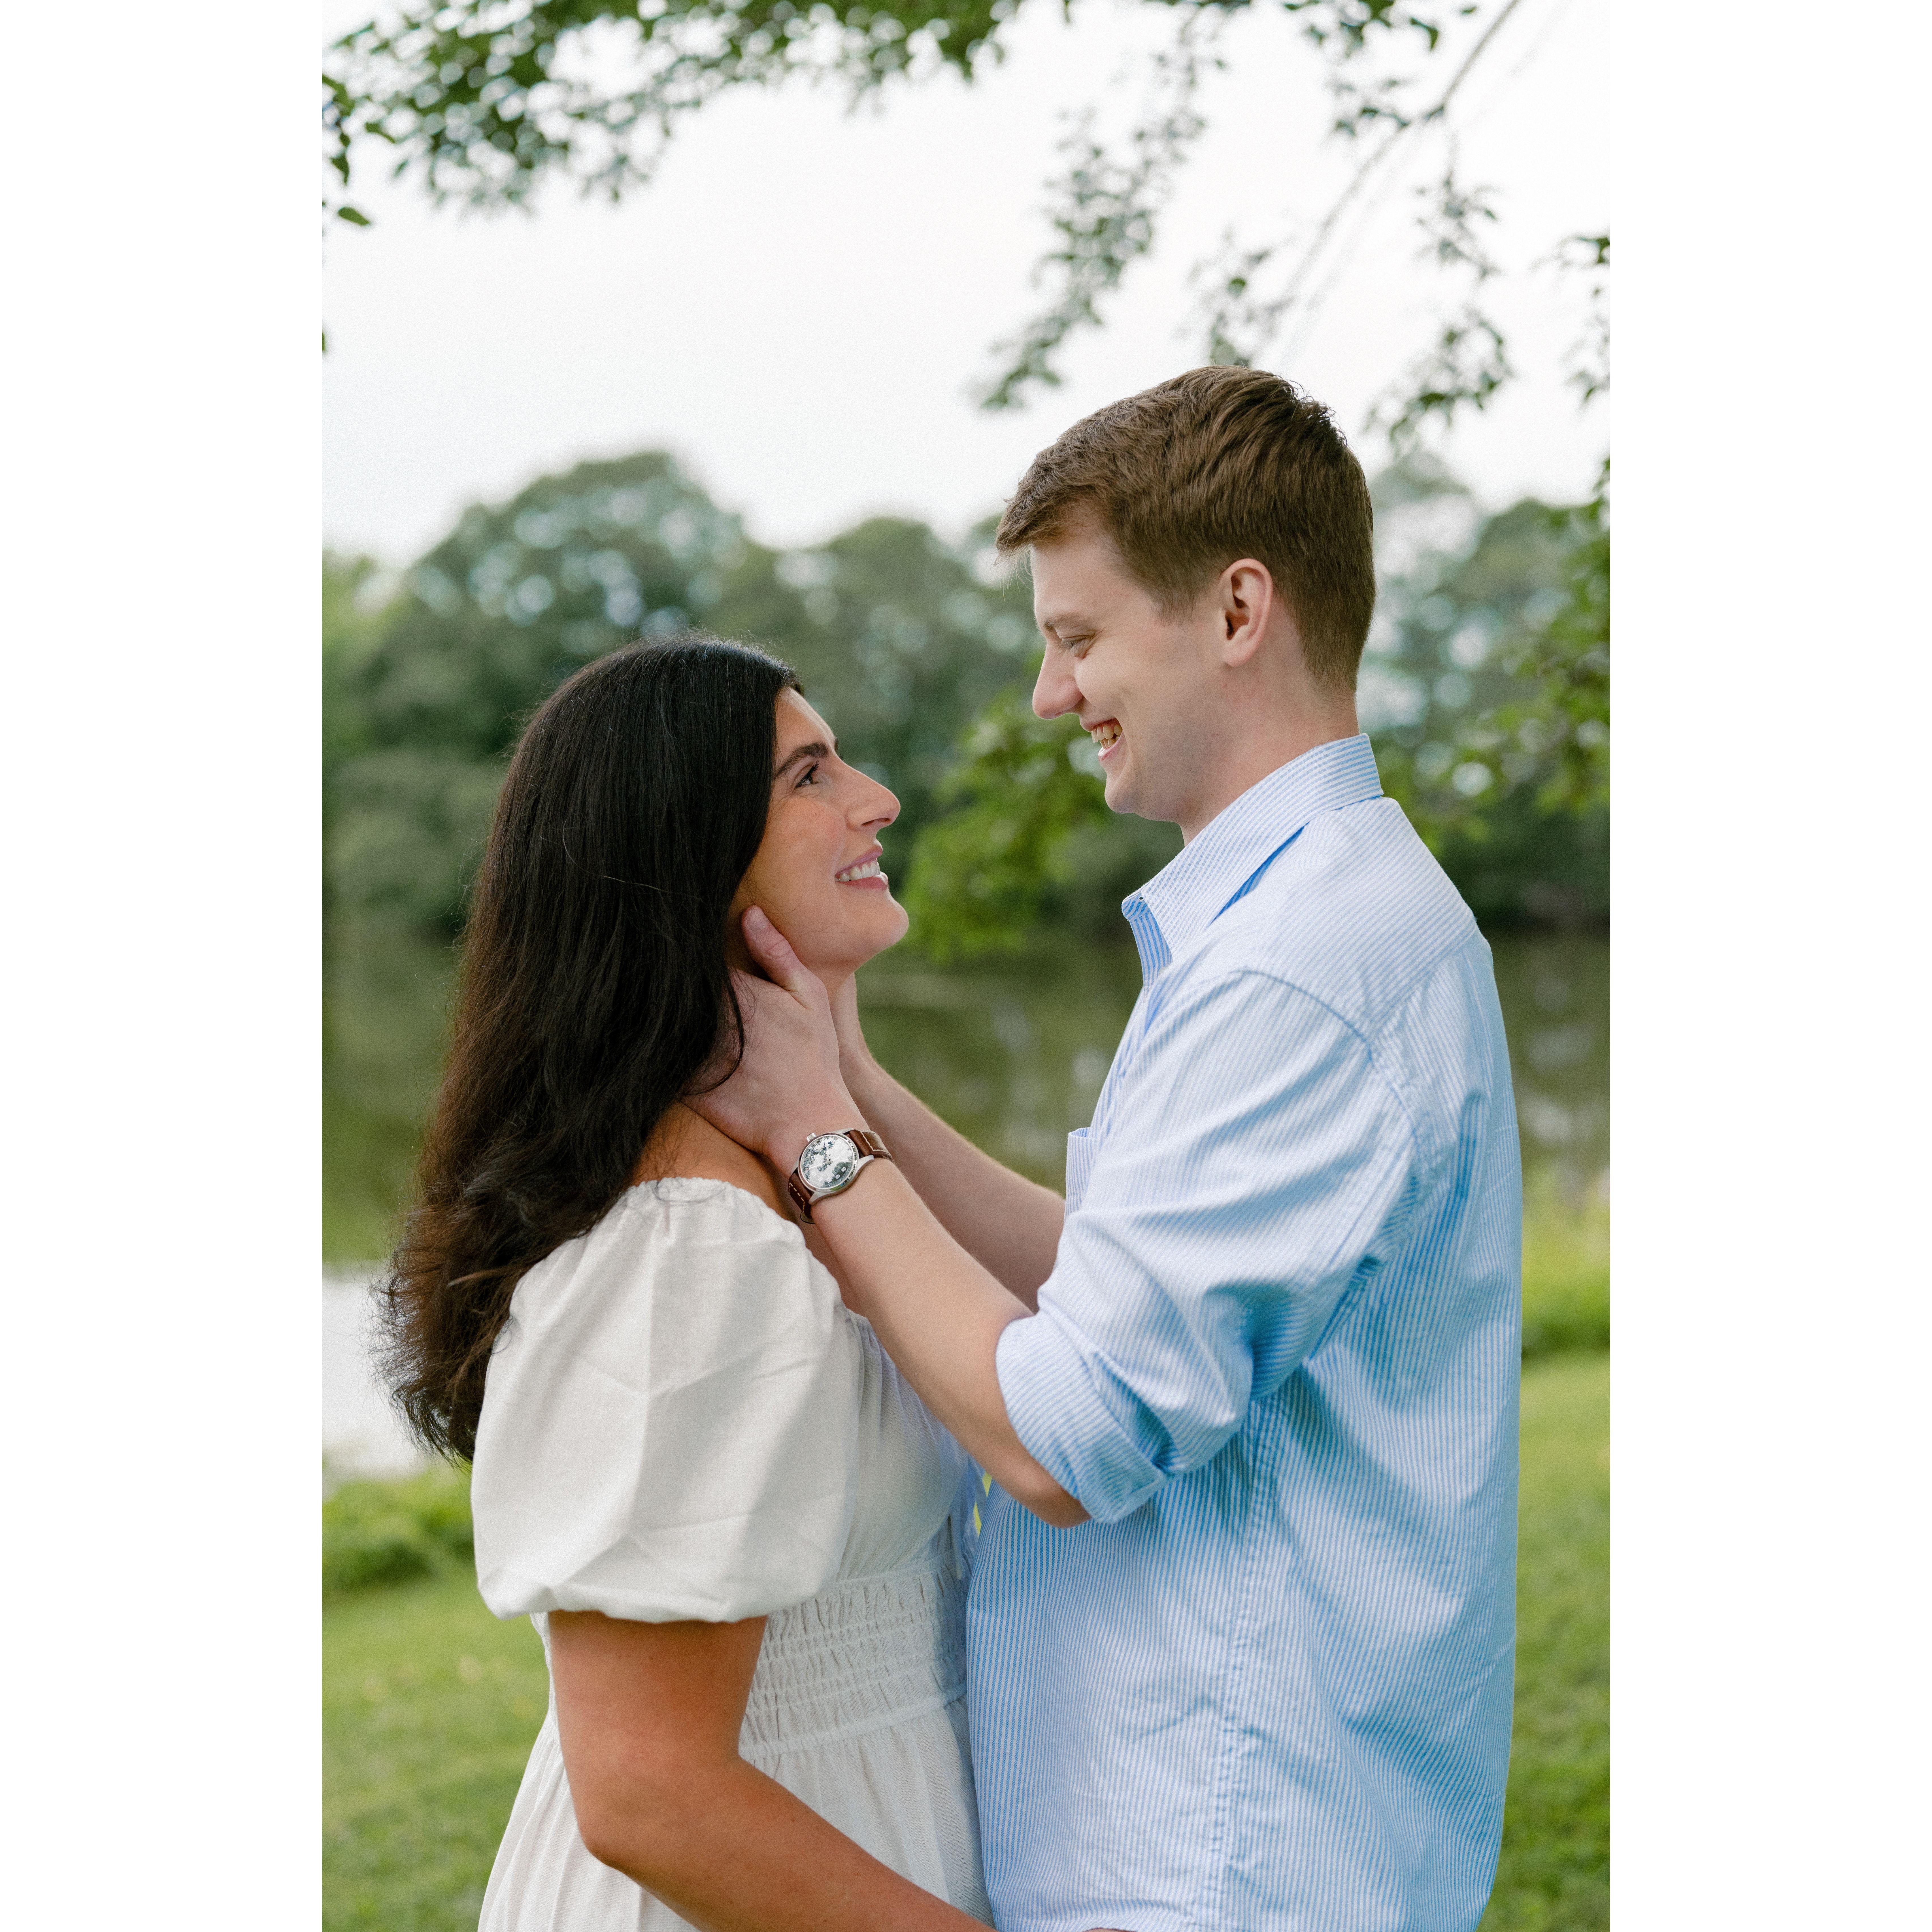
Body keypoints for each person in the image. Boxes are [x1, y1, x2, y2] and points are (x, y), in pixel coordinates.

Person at [695, 365, 1524, 1931]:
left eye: (1077, 637)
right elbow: (1110, 1285)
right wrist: (851, 1078)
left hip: (1219, 1860)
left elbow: (1072, 1432)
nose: (1048, 696)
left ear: (1235, 611)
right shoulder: (1295, 923)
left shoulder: (1299, 967)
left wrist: (814, 1141)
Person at [376, 637, 997, 1930]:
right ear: (685, 853)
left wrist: (841, 1075)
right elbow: (649, 1792)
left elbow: (1079, 1325)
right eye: (810, 775)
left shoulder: (809, 1178)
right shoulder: (686, 1248)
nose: (875, 798)